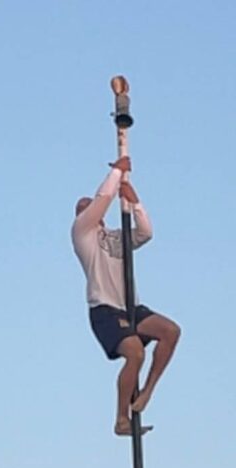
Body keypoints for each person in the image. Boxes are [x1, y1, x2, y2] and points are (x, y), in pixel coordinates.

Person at [72, 156, 180, 436]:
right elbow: (103, 197)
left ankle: (147, 391)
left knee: (170, 331)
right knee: (135, 352)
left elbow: (145, 233)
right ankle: (121, 419)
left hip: (129, 306)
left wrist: (135, 202)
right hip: (104, 309)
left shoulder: (114, 238)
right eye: (82, 208)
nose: (87, 208)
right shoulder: (82, 233)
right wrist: (118, 172)